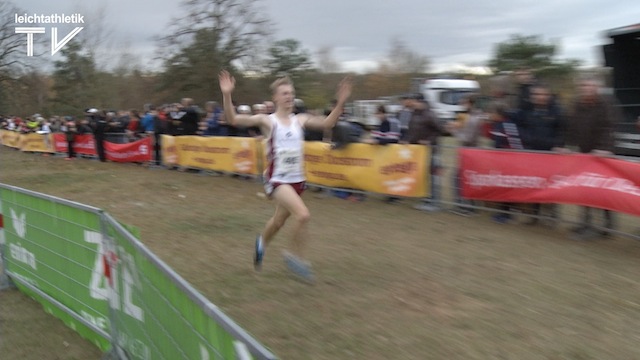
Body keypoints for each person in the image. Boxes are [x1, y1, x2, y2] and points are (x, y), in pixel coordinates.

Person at [218, 70, 352, 282]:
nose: (289, 96)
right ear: (276, 98)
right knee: (303, 215)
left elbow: (327, 124)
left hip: (297, 180)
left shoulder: (300, 120)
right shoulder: (267, 121)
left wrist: (341, 102)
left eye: (291, 93)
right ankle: (295, 257)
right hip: (277, 180)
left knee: (279, 222)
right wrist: (227, 95)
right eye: (285, 93)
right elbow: (233, 119)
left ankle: (261, 242)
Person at [563, 75, 622, 240]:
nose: (586, 89)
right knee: (585, 190)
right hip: (584, 154)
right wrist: (569, 146)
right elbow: (572, 128)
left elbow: (610, 126)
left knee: (603, 191)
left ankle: (607, 226)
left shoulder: (607, 103)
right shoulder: (577, 105)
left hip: (603, 155)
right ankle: (586, 224)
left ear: (597, 87)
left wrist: (604, 149)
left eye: (590, 86)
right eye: (583, 86)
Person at [517, 83, 565, 225]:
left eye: (543, 94)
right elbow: (521, 128)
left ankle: (551, 216)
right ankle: (534, 216)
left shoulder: (556, 111)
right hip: (532, 154)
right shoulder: (527, 111)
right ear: (532, 96)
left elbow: (562, 131)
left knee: (551, 186)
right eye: (536, 94)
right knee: (533, 184)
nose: (539, 97)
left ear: (548, 95)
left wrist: (558, 145)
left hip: (550, 155)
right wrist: (526, 142)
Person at [405, 93, 443, 212]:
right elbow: (412, 130)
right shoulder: (414, 114)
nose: (412, 104)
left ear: (420, 102)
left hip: (430, 150)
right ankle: (427, 199)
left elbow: (440, 129)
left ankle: (434, 202)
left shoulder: (429, 114)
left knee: (432, 176)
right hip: (418, 152)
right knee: (424, 175)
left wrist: (429, 141)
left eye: (414, 101)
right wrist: (407, 141)